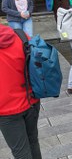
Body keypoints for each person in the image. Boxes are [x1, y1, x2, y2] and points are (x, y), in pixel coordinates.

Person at [0, 25, 42, 159]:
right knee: (33, 142)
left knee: (20, 152)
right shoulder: (19, 35)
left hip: (5, 110)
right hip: (31, 101)